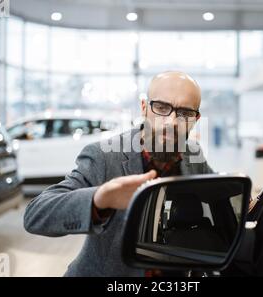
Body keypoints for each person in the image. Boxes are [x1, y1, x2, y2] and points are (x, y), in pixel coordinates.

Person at [23, 71, 213, 276]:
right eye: (161, 107)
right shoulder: (104, 156)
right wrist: (98, 199)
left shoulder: (193, 154)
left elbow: (219, 190)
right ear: (144, 108)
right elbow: (35, 215)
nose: (171, 122)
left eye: (184, 113)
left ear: (196, 118)